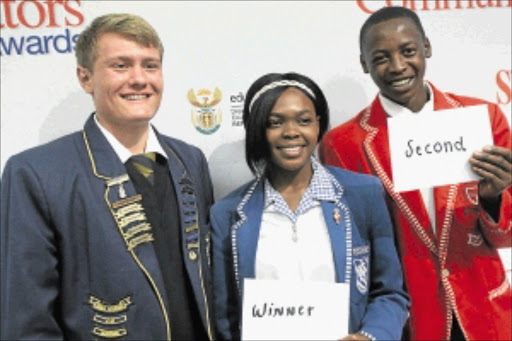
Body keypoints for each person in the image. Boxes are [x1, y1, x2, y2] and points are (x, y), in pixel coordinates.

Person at [1, 14, 214, 340]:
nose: (140, 79)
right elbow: (26, 320)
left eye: (150, 65)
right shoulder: (36, 174)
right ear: (86, 79)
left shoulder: (190, 161)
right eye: (121, 65)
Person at [319, 6, 512, 341]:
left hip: (485, 313)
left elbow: (506, 237)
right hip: (410, 319)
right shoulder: (343, 143)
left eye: (408, 51)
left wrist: (493, 197)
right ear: (364, 64)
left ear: (427, 47)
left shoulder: (483, 117)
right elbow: (353, 245)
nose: (397, 66)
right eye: (381, 57)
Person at [211, 72, 409, 341]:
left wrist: (369, 336)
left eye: (304, 121)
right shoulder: (227, 214)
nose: (291, 132)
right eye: (275, 122)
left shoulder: (364, 194)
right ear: (257, 130)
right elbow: (226, 317)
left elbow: (390, 293)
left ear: (318, 125)